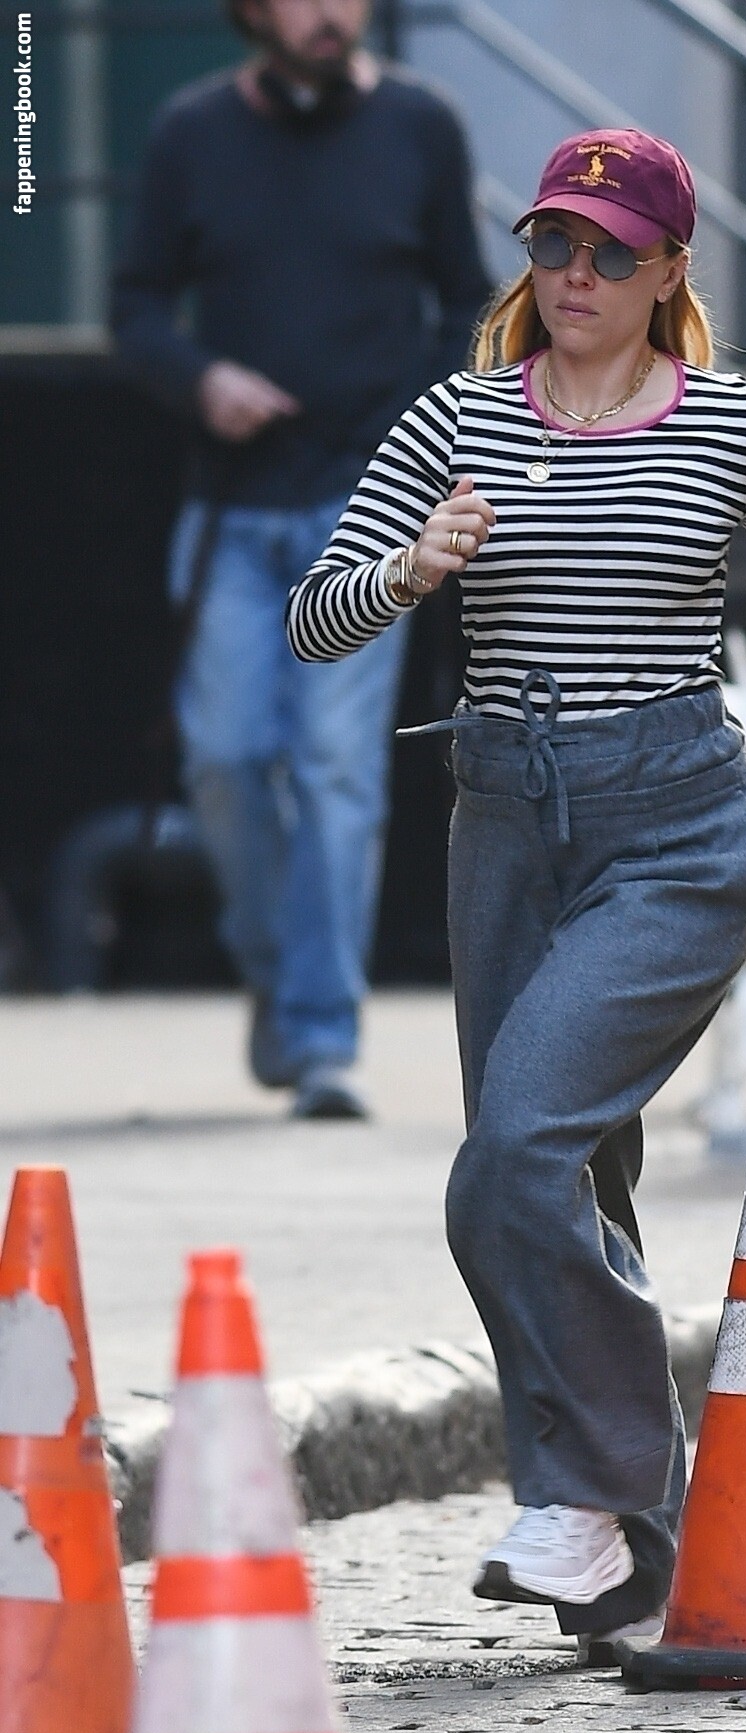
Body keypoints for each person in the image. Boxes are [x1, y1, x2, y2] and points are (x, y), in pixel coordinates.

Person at [287, 129, 746, 1653]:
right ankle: (632, 1540)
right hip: (503, 825)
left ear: (670, 270)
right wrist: (413, 570)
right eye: (553, 244)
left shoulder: (736, 421)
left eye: (610, 252)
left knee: (511, 1156)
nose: (576, 274)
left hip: (673, 828)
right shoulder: (456, 416)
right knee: (570, 1179)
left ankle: (578, 1492)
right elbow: (312, 619)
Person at [111, 0, 491, 1118]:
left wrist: (412, 433)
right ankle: (278, 975)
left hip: (367, 514)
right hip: (229, 509)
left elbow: (467, 304)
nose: (329, 13)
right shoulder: (190, 131)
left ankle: (321, 1039)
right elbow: (135, 307)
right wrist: (203, 381)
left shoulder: (422, 123)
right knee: (224, 758)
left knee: (334, 768)